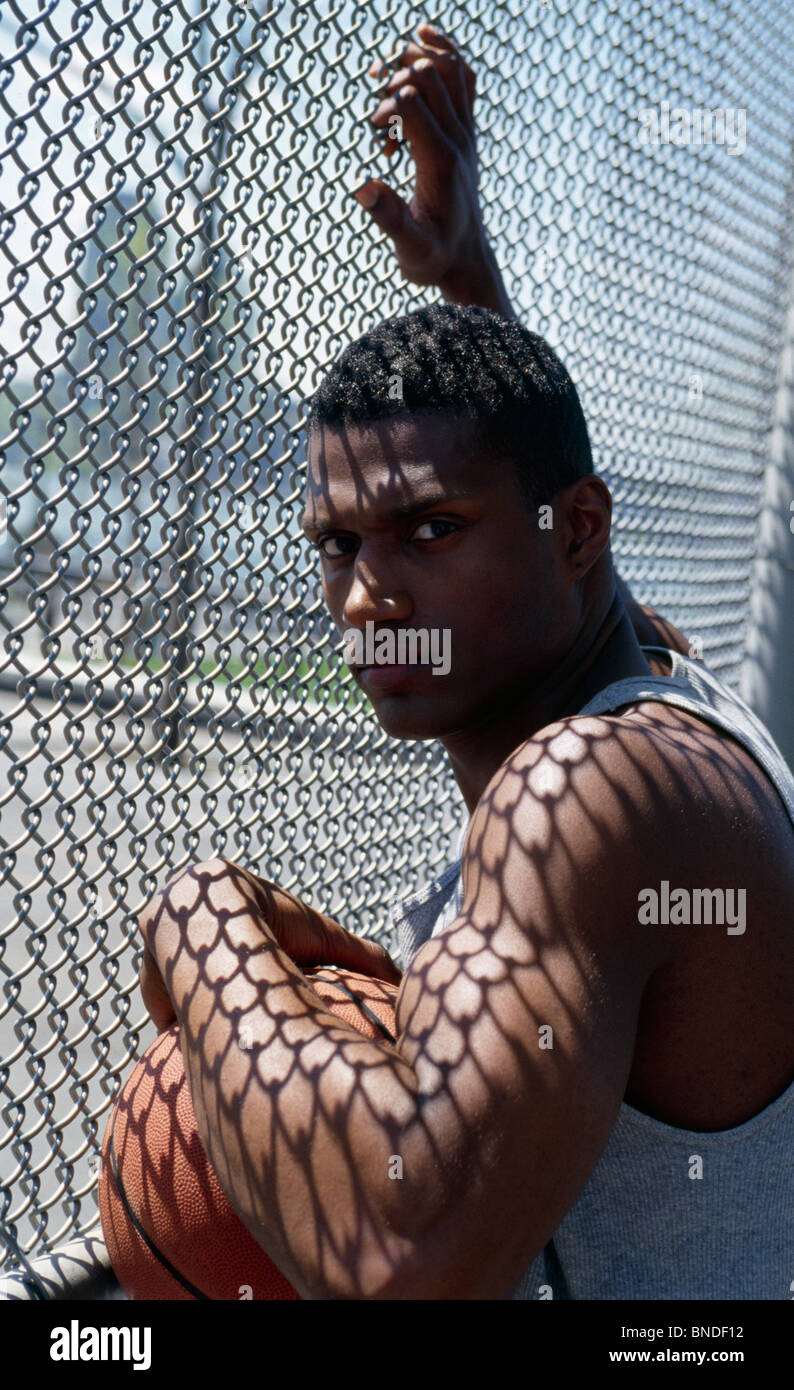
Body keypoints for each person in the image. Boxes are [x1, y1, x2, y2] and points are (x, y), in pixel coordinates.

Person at [138, 24, 794, 1299]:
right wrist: (467, 268)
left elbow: (404, 1257)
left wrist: (202, 914)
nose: (371, 593)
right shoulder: (669, 693)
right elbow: (534, 490)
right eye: (335, 545)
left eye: (426, 533)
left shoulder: (587, 788)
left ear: (579, 531)